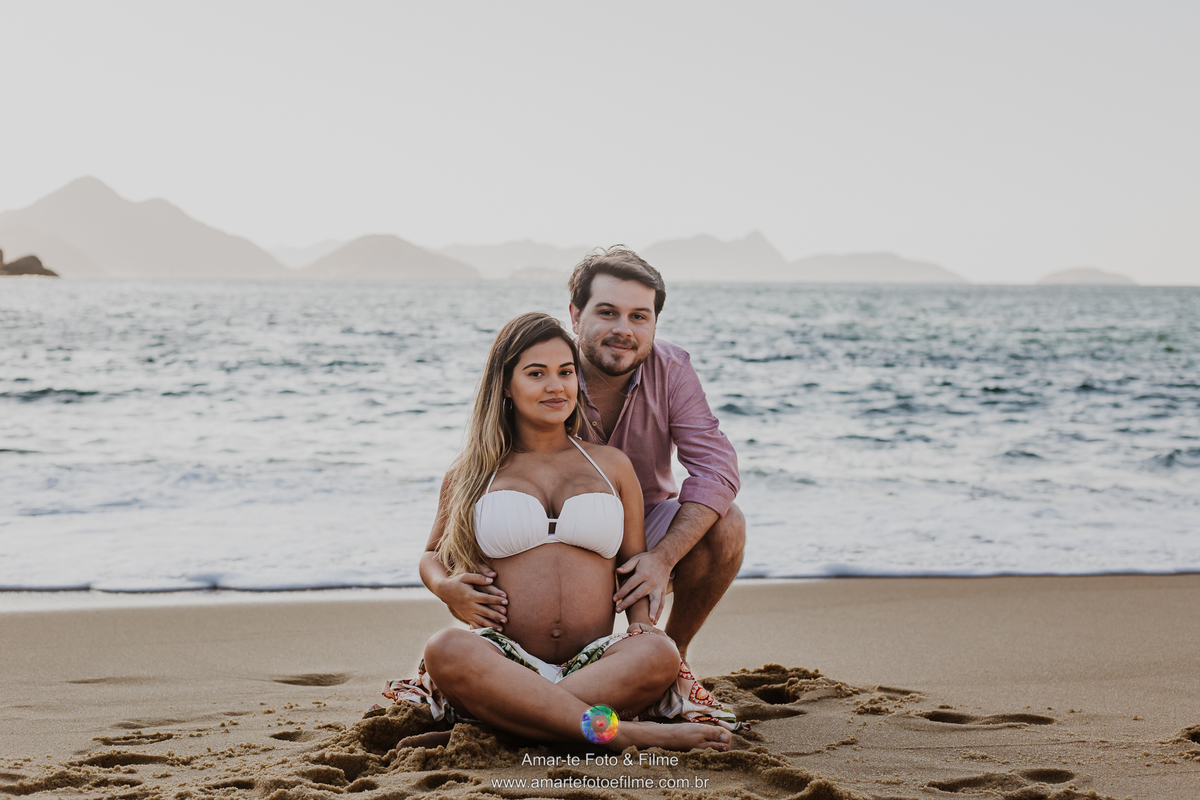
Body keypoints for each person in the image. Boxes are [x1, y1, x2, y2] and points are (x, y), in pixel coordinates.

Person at [397, 313, 738, 752]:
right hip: (504, 659)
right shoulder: (473, 471)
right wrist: (447, 588)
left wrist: (640, 631)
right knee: (444, 648)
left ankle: (503, 726)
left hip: (597, 663)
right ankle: (625, 733)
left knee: (660, 653)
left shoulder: (610, 465)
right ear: (505, 384)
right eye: (536, 373)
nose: (556, 386)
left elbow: (633, 567)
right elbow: (431, 555)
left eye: (566, 372)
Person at [567, 247, 745, 661]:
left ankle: (674, 656)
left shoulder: (672, 368)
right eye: (607, 312)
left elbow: (717, 470)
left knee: (727, 525)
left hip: (646, 526)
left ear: (654, 322)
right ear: (576, 315)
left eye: (639, 316)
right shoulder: (545, 368)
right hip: (557, 529)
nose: (623, 329)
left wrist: (662, 558)